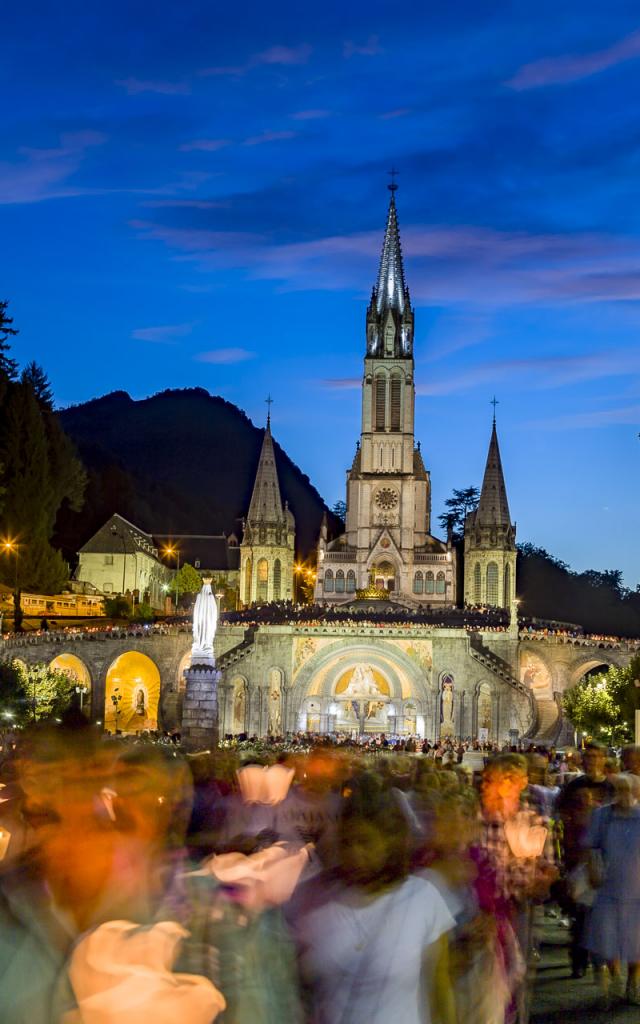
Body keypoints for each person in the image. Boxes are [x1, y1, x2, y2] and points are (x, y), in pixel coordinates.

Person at [292, 771, 455, 1024]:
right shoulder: (313, 899)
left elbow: (440, 993)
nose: (355, 854)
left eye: (365, 843)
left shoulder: (422, 898)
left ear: (390, 843)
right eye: (347, 843)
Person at [556, 741, 614, 978]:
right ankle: (579, 957)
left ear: (603, 759)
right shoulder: (575, 785)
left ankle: (598, 957)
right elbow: (560, 813)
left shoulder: (611, 787)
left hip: (604, 855)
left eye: (596, 756)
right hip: (578, 854)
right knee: (579, 910)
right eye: (588, 756)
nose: (592, 760)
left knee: (600, 911)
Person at [585, 773, 640, 1006]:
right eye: (618, 790)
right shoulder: (602, 816)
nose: (623, 795)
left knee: (636, 939)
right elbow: (590, 846)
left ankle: (634, 983)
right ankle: (616, 979)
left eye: (627, 790)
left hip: (637, 888)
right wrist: (592, 870)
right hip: (609, 886)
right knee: (609, 937)